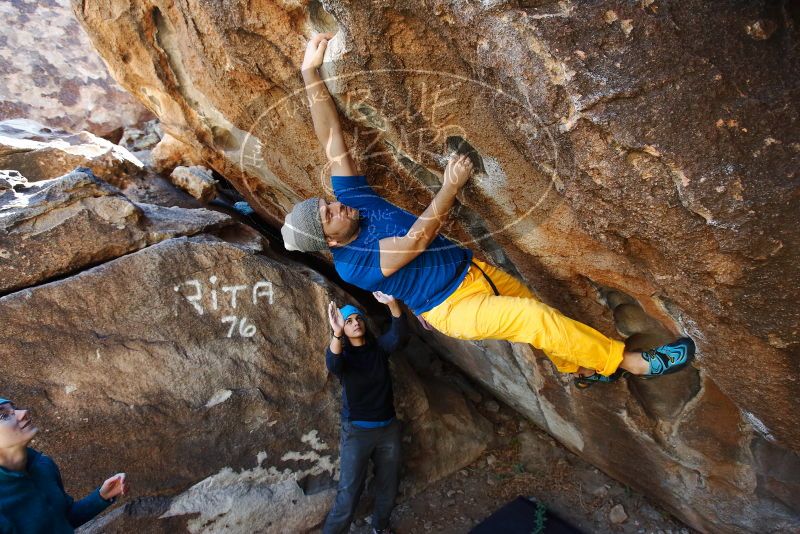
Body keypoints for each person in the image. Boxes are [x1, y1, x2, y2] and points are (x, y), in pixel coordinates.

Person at [283, 33, 695, 388]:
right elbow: (416, 239)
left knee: (544, 319)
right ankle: (631, 364)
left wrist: (309, 75)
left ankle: (583, 369)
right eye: (328, 214)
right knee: (532, 318)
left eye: (327, 201)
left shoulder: (352, 204)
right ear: (331, 240)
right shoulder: (352, 265)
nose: (336, 204)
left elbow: (332, 139)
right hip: (453, 308)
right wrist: (449, 186)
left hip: (474, 271)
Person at [323, 291, 408, 534]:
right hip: (357, 432)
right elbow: (333, 362)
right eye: (349, 321)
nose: (355, 323)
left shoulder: (379, 349)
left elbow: (399, 335)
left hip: (388, 428)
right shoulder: (345, 357)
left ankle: (379, 527)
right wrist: (336, 332)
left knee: (389, 486)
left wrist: (393, 303)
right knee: (348, 495)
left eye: (358, 319)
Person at [0, 397, 128, 533]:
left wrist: (101, 497)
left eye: (15, 408)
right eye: (3, 415)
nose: (23, 412)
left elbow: (61, 520)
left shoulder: (43, 466)